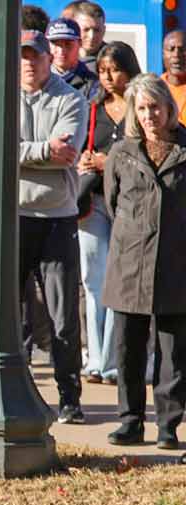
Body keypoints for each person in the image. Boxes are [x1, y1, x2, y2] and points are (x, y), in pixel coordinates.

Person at [0, 28, 85, 421]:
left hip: (56, 219)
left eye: (35, 55)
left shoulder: (71, 99)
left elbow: (65, 155)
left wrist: (18, 153)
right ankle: (21, 392)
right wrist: (40, 151)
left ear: (49, 58)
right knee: (13, 316)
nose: (29, 63)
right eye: (22, 56)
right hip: (11, 218)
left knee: (63, 316)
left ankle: (70, 397)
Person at [102, 74, 186, 446]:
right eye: (142, 107)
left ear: (169, 108)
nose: (150, 114)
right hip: (129, 264)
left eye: (156, 106)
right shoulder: (122, 152)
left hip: (176, 264)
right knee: (128, 350)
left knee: (173, 356)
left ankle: (168, 427)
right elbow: (112, 202)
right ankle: (131, 421)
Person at [78, 41, 136, 384]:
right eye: (102, 71)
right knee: (92, 280)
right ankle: (95, 360)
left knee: (118, 279)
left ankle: (114, 360)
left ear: (129, 69)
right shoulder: (92, 108)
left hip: (128, 203)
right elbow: (77, 146)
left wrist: (107, 160)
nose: (108, 77)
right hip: (94, 200)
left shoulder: (140, 107)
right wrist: (84, 161)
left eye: (114, 69)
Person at [46, 17, 95, 96]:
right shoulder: (36, 77)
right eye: (55, 44)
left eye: (68, 44)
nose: (61, 51)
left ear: (80, 43)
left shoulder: (93, 84)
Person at [164, 29, 186, 120]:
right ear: (163, 54)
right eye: (171, 49)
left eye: (182, 49)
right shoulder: (155, 87)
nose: (176, 54)